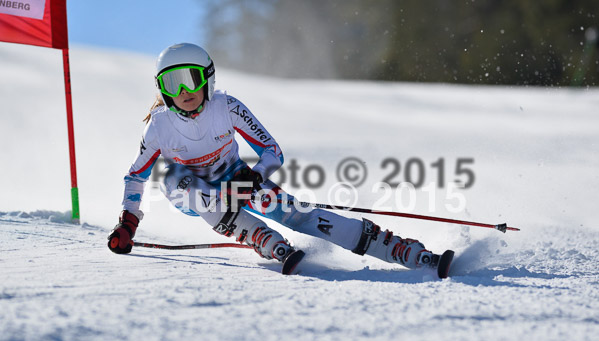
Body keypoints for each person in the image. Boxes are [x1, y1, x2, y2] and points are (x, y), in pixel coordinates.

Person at [107, 43, 452, 276]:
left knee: (300, 215)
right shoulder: (160, 126)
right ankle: (260, 236)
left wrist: (256, 177)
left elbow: (272, 151)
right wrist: (128, 223)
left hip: (237, 180)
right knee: (176, 179)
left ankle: (400, 250)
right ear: (162, 88)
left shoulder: (226, 107)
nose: (183, 91)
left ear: (207, 78)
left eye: (190, 79)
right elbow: (135, 176)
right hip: (188, 191)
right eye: (172, 82)